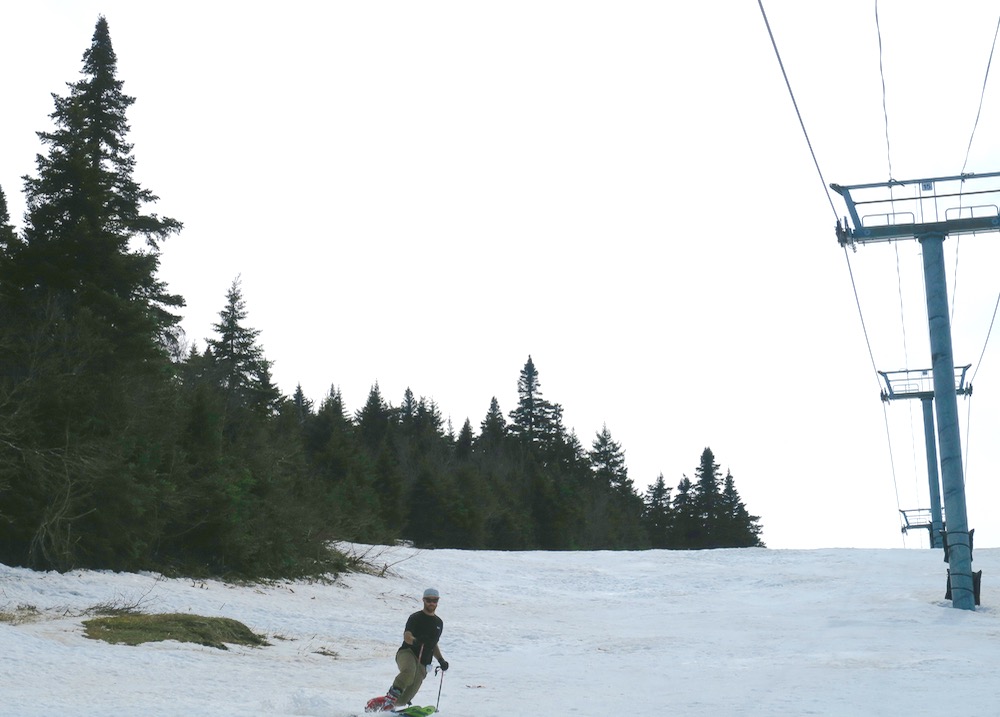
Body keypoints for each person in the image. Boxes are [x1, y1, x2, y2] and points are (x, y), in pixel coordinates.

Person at [367, 588, 449, 712]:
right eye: (428, 600)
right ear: (423, 600)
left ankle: (384, 707)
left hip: (424, 661)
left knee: (405, 698)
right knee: (409, 672)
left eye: (435, 600)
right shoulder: (416, 617)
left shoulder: (439, 622)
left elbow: (434, 644)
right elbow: (407, 636)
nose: (431, 603)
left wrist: (441, 660)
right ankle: (389, 700)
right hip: (407, 653)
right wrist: (416, 641)